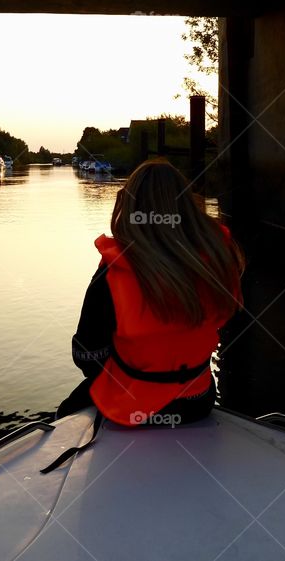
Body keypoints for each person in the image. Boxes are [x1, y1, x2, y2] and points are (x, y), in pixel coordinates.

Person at [56, 158, 245, 427]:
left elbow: (87, 356)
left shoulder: (113, 272)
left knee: (67, 411)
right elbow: (225, 321)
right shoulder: (219, 259)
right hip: (198, 402)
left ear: (130, 205)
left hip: (134, 409)